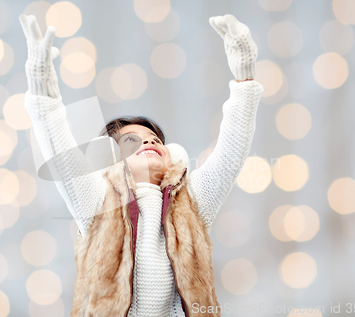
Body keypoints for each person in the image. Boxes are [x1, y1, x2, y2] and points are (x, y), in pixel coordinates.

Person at [20, 13, 263, 317]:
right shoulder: (99, 201)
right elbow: (62, 154)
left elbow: (231, 151)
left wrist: (245, 80)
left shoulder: (192, 200)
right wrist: (43, 94)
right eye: (131, 142)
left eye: (154, 139)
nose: (148, 143)